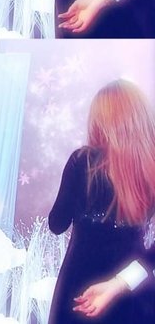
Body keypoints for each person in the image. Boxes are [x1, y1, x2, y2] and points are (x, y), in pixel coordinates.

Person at [48, 79, 155, 324]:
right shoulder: (150, 167)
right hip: (133, 288)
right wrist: (119, 283)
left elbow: (57, 224)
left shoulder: (82, 161)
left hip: (80, 288)